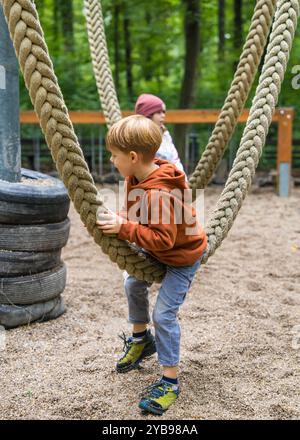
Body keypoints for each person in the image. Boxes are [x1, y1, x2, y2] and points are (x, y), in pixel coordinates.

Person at [96, 115, 207, 416]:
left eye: (114, 156)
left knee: (164, 315)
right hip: (160, 248)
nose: (111, 160)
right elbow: (132, 207)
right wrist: (122, 219)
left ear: (132, 157)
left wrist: (123, 228)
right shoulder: (138, 174)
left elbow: (163, 241)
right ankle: (141, 339)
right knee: (132, 282)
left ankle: (170, 381)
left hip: (182, 257)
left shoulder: (159, 194)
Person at [135, 93, 186, 174]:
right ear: (148, 114)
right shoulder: (138, 138)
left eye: (164, 112)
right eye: (159, 112)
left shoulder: (165, 134)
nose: (163, 115)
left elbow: (174, 159)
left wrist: (182, 178)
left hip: (171, 178)